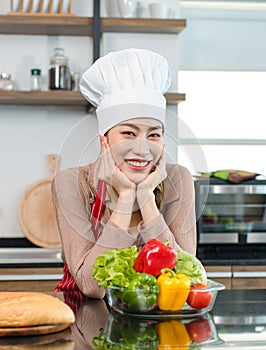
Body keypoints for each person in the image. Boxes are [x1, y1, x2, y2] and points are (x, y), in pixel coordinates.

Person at [52, 48, 196, 299]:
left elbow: (185, 277)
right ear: (104, 140)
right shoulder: (71, 183)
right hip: (91, 328)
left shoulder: (178, 179)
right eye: (128, 133)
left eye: (153, 134)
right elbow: (92, 286)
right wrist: (126, 199)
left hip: (160, 325)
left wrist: (147, 200)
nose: (142, 148)